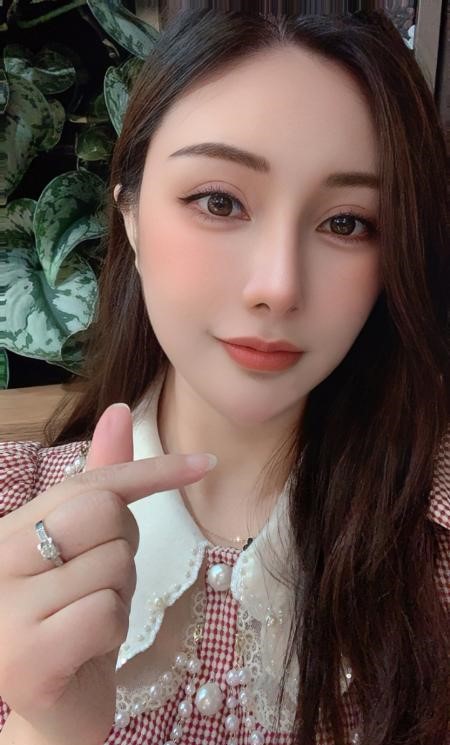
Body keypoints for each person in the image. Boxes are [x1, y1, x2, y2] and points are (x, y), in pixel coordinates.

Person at [0, 8, 448, 745]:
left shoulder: (435, 548)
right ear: (129, 213)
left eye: (346, 222)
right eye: (219, 201)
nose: (278, 287)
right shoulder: (14, 513)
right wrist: (46, 727)